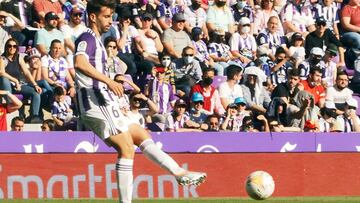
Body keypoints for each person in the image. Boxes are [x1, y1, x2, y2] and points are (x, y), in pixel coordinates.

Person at [73, 2, 206, 203]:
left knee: (140, 133)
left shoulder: (98, 41)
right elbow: (79, 63)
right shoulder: (87, 38)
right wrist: (108, 81)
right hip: (94, 100)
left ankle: (179, 172)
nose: (110, 21)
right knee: (126, 147)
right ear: (93, 17)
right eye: (107, 16)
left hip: (105, 99)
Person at [0, 38, 43, 123]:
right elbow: (1, 72)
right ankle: (11, 105)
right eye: (9, 46)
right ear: (6, 47)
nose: (12, 48)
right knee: (4, 79)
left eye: (14, 46)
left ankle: (33, 117)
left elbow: (26, 72)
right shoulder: (2, 58)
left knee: (35, 92)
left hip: (18, 86)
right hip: (7, 86)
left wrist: (35, 85)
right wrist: (15, 80)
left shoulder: (19, 57)